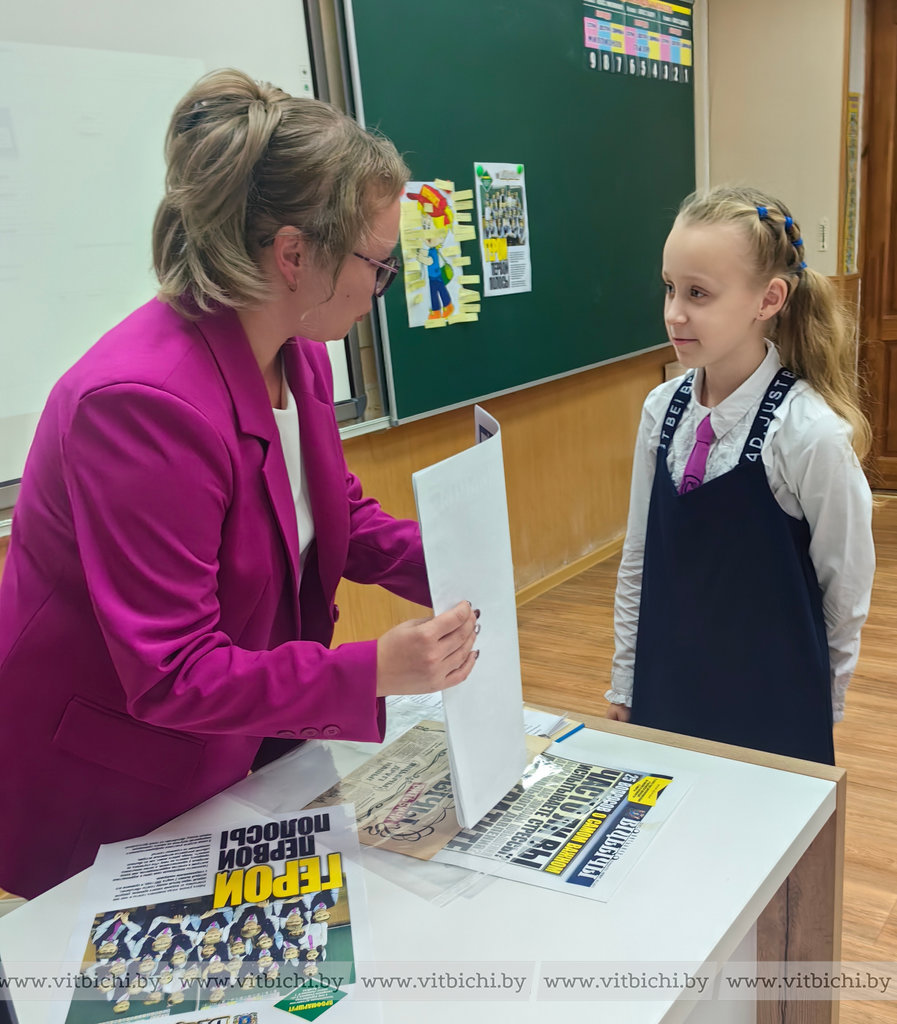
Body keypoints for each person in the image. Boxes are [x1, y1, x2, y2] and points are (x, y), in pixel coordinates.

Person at [0, 68, 479, 899]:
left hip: (233, 749)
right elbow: (174, 672)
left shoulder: (299, 351)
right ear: (293, 255)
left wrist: (461, 560)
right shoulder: (141, 404)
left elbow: (330, 514)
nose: (382, 290)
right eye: (378, 266)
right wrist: (370, 669)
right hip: (113, 781)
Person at [606, 185, 874, 764]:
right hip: (668, 682)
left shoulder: (809, 433)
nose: (674, 313)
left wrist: (821, 703)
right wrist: (625, 679)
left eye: (698, 293)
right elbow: (639, 554)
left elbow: (846, 588)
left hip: (772, 699)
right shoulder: (660, 409)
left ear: (768, 299)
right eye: (670, 288)